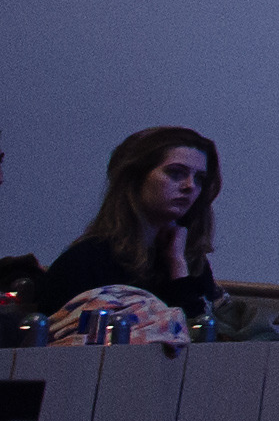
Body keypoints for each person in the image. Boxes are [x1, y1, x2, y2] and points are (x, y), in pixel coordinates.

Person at [41, 123, 229, 333]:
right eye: (176, 173)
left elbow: (197, 336)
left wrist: (177, 265)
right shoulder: (86, 261)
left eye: (199, 179)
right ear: (135, 179)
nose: (190, 186)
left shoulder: (188, 260)